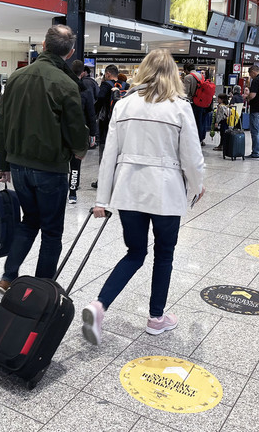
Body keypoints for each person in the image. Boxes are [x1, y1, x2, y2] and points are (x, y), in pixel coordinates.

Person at [81, 49, 204, 344]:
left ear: (143, 71)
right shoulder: (179, 107)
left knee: (135, 253)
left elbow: (109, 154)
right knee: (164, 254)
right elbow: (191, 156)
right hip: (166, 192)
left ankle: (99, 306)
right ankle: (156, 317)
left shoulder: (123, 105)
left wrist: (102, 199)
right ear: (174, 74)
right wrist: (197, 185)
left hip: (129, 190)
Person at [0, 24, 89, 293]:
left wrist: (2, 163)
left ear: (43, 46)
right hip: (50, 168)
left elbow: (2, 124)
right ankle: (39, 288)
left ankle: (8, 276)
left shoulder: (15, 77)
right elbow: (74, 129)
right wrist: (80, 147)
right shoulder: (66, 84)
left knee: (29, 221)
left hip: (18, 166)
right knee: (51, 230)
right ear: (69, 53)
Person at [68, 60, 98, 204]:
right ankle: (72, 192)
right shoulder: (85, 91)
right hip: (79, 132)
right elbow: (91, 115)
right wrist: (93, 134)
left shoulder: (63, 86)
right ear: (82, 72)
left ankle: (64, 189)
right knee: (76, 162)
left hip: (62, 130)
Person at [91, 64, 119, 188]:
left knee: (104, 151)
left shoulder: (106, 85)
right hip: (119, 123)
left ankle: (102, 180)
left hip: (106, 123)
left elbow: (100, 98)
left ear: (107, 74)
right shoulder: (123, 86)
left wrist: (94, 113)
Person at [182, 63, 207, 146]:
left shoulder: (188, 77)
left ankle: (193, 140)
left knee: (192, 122)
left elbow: (186, 93)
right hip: (202, 102)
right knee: (200, 122)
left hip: (193, 103)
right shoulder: (201, 76)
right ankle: (200, 139)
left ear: (186, 69)